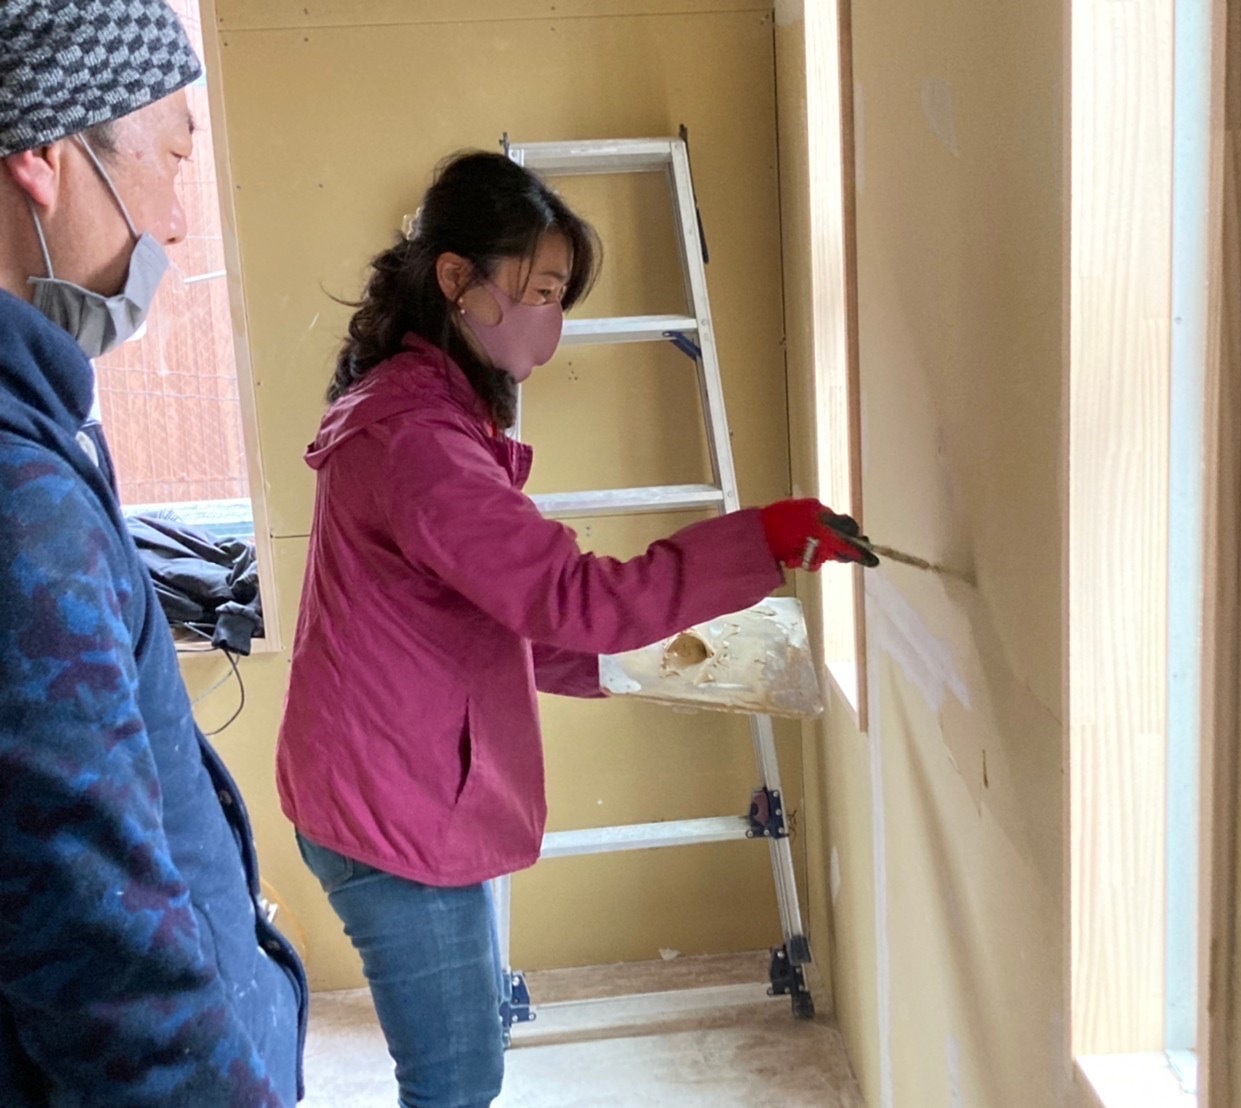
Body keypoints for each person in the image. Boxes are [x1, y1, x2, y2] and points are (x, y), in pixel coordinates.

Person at [276, 150, 867, 1107]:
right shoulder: (421, 442)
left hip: (380, 775)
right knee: (456, 1079)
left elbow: (494, 610)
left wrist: (645, 660)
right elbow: (569, 597)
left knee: (461, 1068)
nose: (551, 318)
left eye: (560, 295)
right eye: (541, 289)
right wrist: (757, 539)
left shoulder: (422, 411)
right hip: (390, 805)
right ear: (457, 279)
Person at [0, 2, 307, 1104]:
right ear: (43, 157)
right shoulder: (17, 504)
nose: (175, 220)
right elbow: (107, 974)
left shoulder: (37, 426)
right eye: (172, 153)